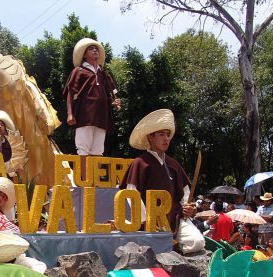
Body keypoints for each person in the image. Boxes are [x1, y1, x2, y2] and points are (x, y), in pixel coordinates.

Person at [120, 109, 205, 254]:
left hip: (176, 218)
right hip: (150, 221)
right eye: (161, 134)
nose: (166, 139)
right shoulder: (140, 163)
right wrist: (145, 219)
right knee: (152, 249)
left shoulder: (174, 164)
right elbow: (131, 193)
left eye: (167, 135)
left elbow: (185, 194)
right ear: (150, 137)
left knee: (197, 241)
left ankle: (174, 250)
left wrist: (188, 208)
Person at [63, 38, 120, 178]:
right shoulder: (79, 71)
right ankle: (83, 179)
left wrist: (116, 101)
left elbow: (113, 94)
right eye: (91, 48)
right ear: (84, 54)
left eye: (96, 48)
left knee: (98, 149)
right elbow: (70, 93)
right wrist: (70, 114)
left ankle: (95, 180)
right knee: (83, 148)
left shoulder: (104, 75)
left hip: (102, 117)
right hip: (84, 116)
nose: (95, 50)